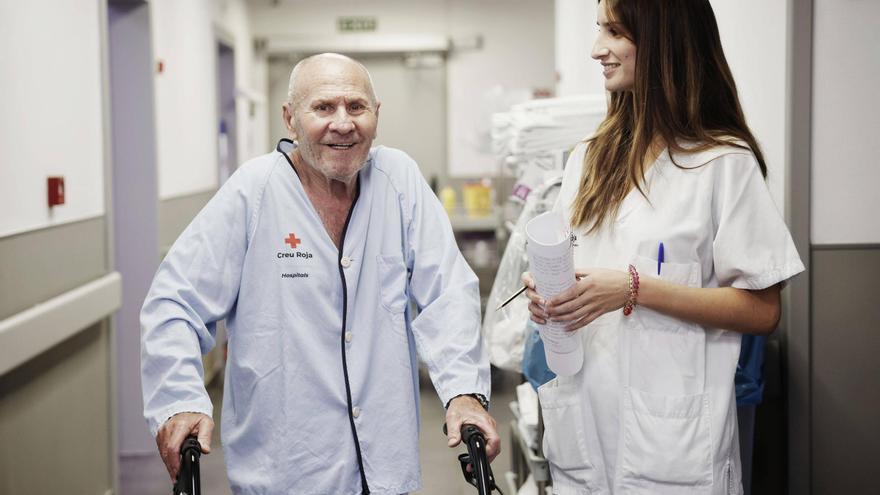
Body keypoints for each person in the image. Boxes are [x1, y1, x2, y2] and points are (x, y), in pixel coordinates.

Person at [141, 53, 500, 494]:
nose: (343, 123)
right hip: (287, 468)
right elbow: (175, 303)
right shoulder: (253, 192)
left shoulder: (399, 180)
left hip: (385, 466)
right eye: (324, 108)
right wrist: (179, 399)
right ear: (290, 119)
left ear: (376, 114)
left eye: (356, 107)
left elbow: (447, 292)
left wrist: (463, 391)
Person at [522, 1, 804, 493]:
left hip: (674, 452)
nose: (597, 50)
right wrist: (548, 291)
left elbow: (762, 311)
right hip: (584, 442)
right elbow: (573, 266)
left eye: (613, 32)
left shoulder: (722, 164)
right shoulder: (589, 158)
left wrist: (635, 289)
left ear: (660, 41)